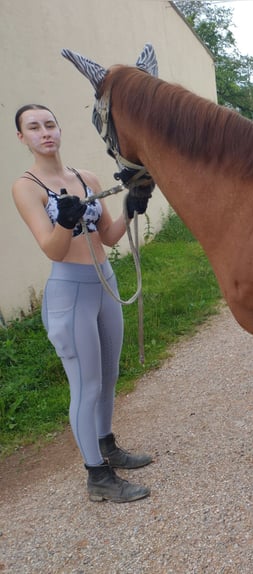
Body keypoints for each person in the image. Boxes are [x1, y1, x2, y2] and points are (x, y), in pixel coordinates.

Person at [12, 104, 152, 503]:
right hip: (70, 293)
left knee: (108, 376)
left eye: (50, 124)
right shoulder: (27, 187)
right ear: (22, 138)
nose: (45, 133)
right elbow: (53, 250)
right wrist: (64, 222)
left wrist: (131, 205)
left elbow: (107, 235)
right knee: (85, 385)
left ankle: (107, 445)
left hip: (104, 283)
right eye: (34, 127)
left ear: (59, 128)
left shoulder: (85, 177)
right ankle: (97, 476)